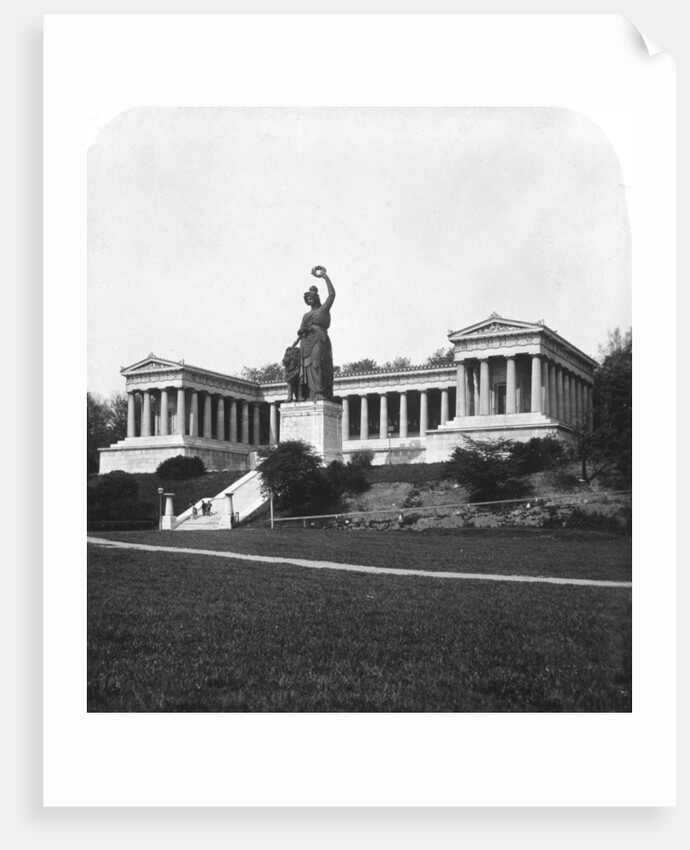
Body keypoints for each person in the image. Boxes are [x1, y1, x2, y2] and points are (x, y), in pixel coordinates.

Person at [296, 266, 336, 401]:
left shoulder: (323, 309)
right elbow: (300, 330)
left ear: (316, 298)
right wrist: (302, 330)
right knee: (307, 367)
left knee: (317, 364)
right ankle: (310, 394)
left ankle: (319, 391)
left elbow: (332, 295)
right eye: (307, 300)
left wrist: (324, 276)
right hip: (306, 342)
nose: (309, 301)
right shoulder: (306, 315)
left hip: (320, 339)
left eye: (311, 298)